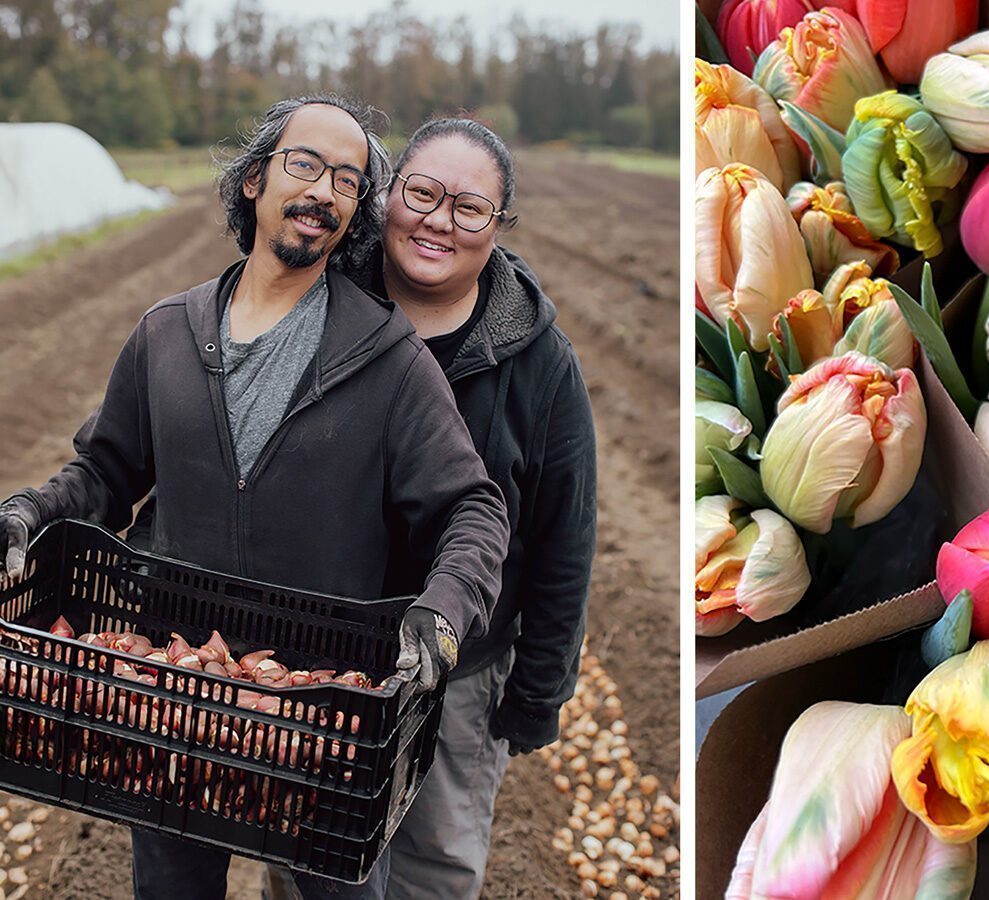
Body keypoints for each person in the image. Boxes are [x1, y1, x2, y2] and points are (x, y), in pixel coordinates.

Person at [0, 95, 511, 900]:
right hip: (174, 704)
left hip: (321, 719)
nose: (324, 190)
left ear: (355, 215)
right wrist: (30, 512)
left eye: (348, 179)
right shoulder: (167, 333)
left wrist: (444, 610)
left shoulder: (388, 359)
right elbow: (104, 473)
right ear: (254, 180)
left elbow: (472, 508)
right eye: (305, 164)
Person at [365, 117, 595, 899]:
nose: (437, 221)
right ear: (388, 195)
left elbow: (566, 535)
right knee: (313, 856)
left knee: (433, 865)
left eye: (469, 208)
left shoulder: (536, 362)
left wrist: (540, 688)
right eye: (421, 193)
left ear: (497, 228)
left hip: (458, 675)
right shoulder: (323, 309)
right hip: (324, 655)